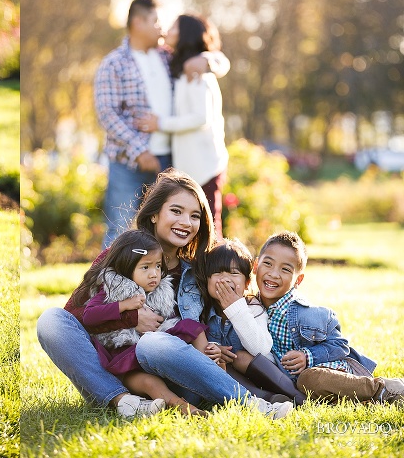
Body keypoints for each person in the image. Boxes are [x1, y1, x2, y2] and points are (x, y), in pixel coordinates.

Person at [37, 168, 293, 419]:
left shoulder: (198, 271)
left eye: (195, 216)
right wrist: (129, 319)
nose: (185, 222)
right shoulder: (121, 256)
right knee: (51, 320)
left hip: (174, 375)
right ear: (154, 215)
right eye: (176, 211)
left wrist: (217, 349)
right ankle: (122, 401)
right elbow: (77, 316)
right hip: (116, 369)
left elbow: (209, 329)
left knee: (154, 343)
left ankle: (252, 405)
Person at [94, 0, 230, 249]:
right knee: (119, 227)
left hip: (170, 161)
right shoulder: (114, 63)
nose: (163, 28)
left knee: (166, 231)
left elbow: (216, 57)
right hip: (129, 162)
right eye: (156, 21)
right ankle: (108, 286)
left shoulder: (169, 57)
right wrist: (140, 151)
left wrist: (209, 61)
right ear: (138, 22)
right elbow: (108, 114)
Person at [254, 231, 404, 404]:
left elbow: (340, 346)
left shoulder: (309, 313)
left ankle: (383, 389)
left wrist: (307, 356)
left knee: (309, 379)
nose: (274, 274)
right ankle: (361, 400)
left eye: (285, 269)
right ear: (256, 265)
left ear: (298, 280)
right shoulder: (250, 308)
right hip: (295, 386)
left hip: (327, 373)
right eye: (268, 264)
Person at [75, 229, 207, 415]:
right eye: (145, 267)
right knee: (149, 383)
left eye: (158, 267)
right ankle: (180, 406)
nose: (154, 274)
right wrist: (123, 305)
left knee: (192, 327)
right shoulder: (114, 288)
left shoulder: (162, 290)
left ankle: (208, 365)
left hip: (157, 345)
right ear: (127, 268)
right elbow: (90, 316)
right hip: (127, 354)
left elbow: (166, 320)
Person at [142, 14, 228, 239]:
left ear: (186, 34)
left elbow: (201, 118)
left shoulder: (198, 71)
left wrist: (160, 124)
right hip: (191, 165)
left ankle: (219, 273)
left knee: (209, 228)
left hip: (206, 165)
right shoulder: (182, 68)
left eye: (174, 27)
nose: (167, 31)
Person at [198, 238, 305, 404]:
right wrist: (215, 350)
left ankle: (297, 397)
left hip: (262, 375)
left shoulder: (253, 308)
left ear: (247, 282)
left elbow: (261, 348)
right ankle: (265, 399)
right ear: (207, 280)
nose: (225, 279)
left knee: (240, 357)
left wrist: (235, 308)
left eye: (234, 273)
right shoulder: (203, 311)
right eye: (218, 273)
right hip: (233, 379)